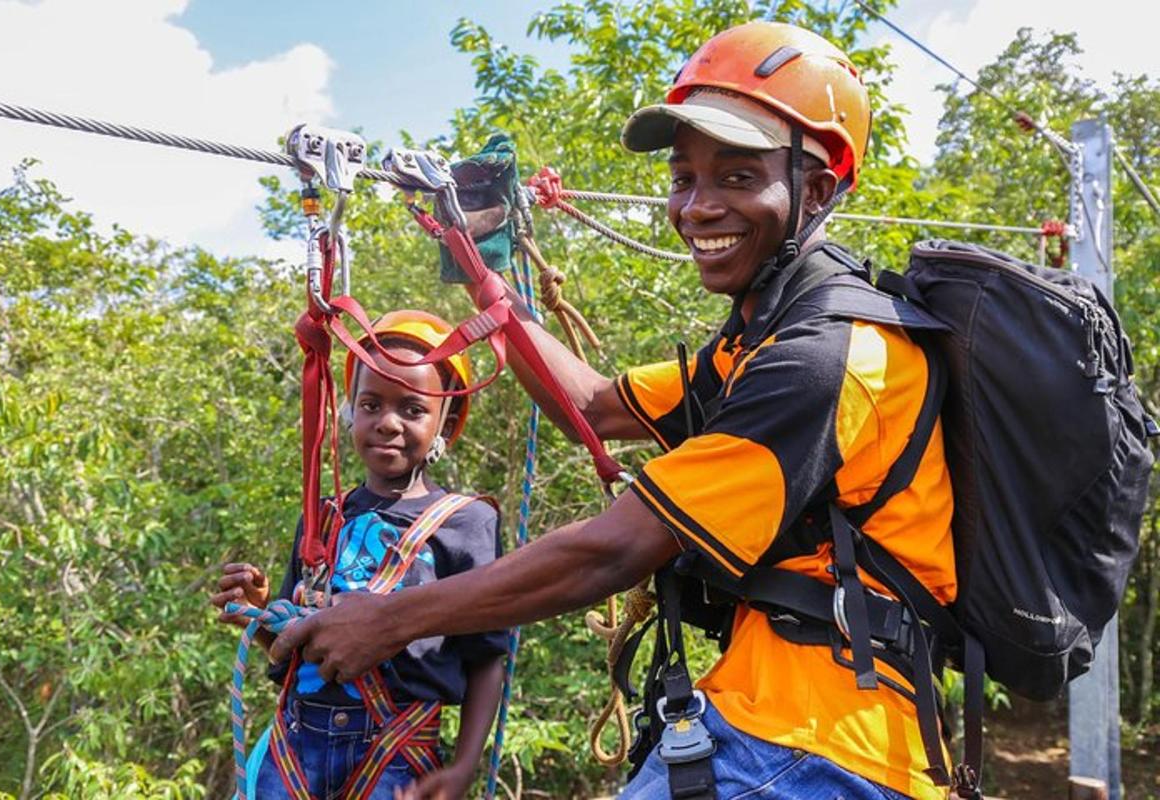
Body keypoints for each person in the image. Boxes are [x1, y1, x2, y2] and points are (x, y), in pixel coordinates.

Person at [272, 22, 957, 800]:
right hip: (780, 727)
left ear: (821, 189)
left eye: (736, 177)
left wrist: (388, 620)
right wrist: (478, 262)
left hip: (824, 746)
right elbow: (592, 406)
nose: (697, 208)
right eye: (684, 178)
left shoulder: (826, 359)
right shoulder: (758, 343)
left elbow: (614, 550)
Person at [212, 310, 508, 800]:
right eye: (371, 404)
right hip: (297, 742)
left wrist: (463, 767)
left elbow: (485, 657)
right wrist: (260, 614)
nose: (387, 423)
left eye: (412, 410)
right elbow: (291, 655)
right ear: (351, 410)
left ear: (445, 422)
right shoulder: (322, 519)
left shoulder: (467, 523)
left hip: (398, 749)